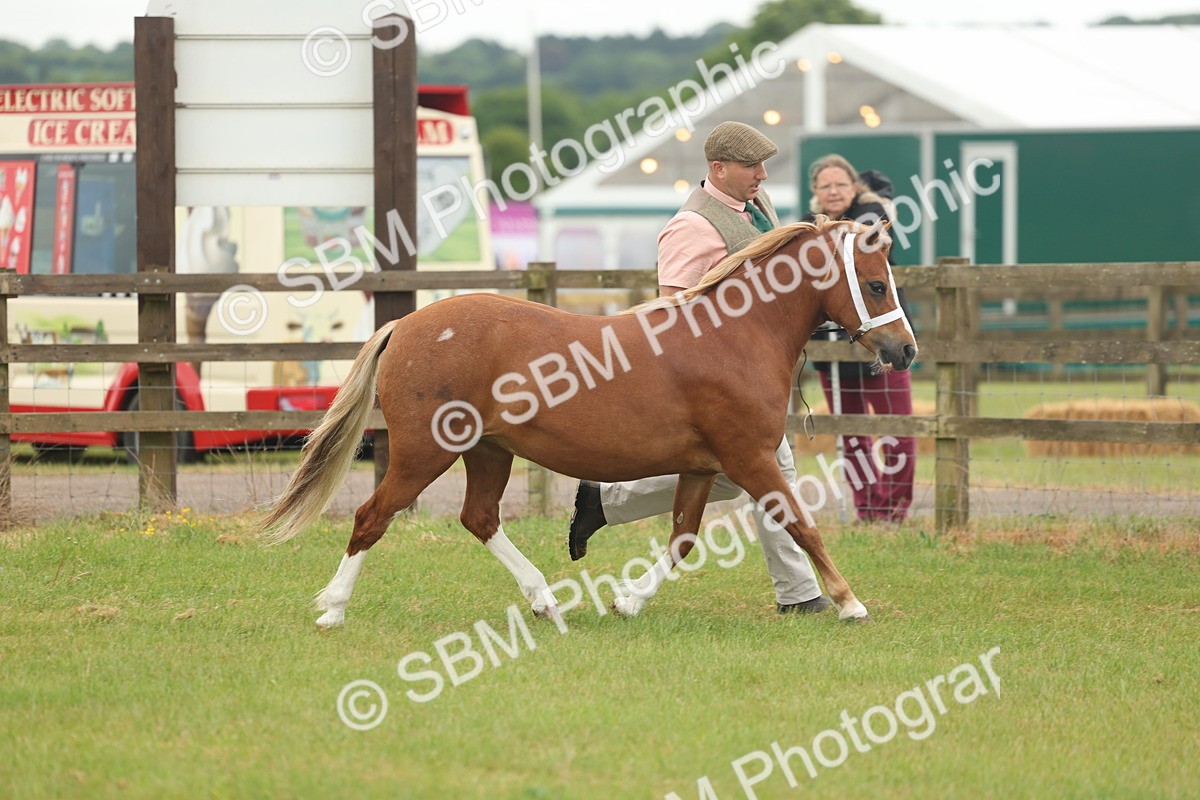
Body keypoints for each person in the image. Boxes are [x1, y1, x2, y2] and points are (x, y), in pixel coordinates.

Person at [566, 121, 832, 615]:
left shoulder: (756, 209)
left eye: (763, 165)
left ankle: (606, 503)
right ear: (719, 168)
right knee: (774, 475)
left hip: (750, 378)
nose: (763, 174)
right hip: (716, 385)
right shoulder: (691, 226)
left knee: (748, 477)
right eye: (753, 166)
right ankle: (799, 595)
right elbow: (673, 311)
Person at [803, 154, 915, 522]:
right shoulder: (809, 228)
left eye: (840, 184)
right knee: (853, 436)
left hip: (883, 335)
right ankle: (868, 509)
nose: (833, 191)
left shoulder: (871, 215)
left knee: (897, 429)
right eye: (825, 186)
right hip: (835, 347)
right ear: (815, 193)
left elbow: (869, 240)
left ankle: (894, 509)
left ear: (854, 187)